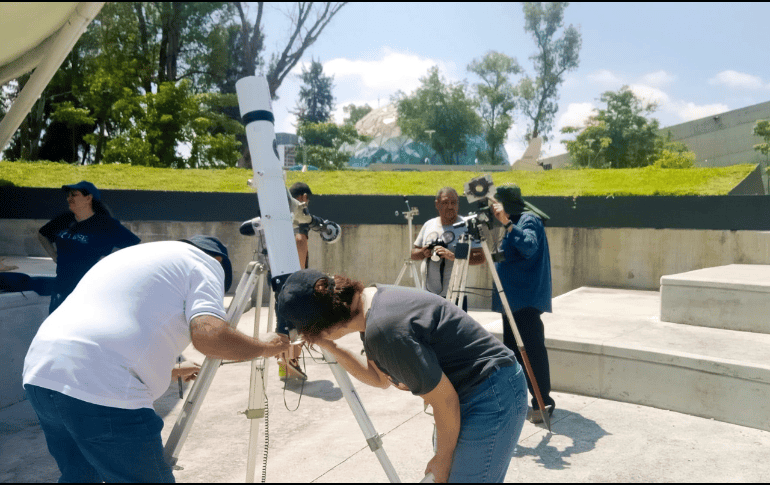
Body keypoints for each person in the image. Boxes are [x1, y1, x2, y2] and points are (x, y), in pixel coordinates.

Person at [22, 235, 290, 483]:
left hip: (42, 373)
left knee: (80, 477)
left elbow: (116, 321)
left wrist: (171, 371)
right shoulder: (205, 264)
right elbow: (210, 336)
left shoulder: (136, 256)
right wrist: (267, 348)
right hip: (102, 388)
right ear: (219, 261)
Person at [276, 269, 528, 483]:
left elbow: (444, 400)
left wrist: (442, 458)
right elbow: (379, 378)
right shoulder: (372, 303)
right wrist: (331, 346)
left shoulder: (385, 330)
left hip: (490, 393)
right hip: (479, 388)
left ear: (323, 324)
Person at [490, 184, 556, 424]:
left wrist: (507, 223)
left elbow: (528, 246)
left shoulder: (528, 220)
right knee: (514, 354)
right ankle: (521, 401)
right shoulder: (515, 221)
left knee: (531, 352)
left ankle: (543, 402)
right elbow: (508, 255)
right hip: (512, 302)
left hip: (524, 301)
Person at [38, 181, 140, 313]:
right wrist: (53, 255)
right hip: (62, 287)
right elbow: (42, 234)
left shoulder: (106, 224)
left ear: (88, 198)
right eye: (68, 196)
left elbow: (134, 247)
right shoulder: (63, 220)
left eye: (74, 195)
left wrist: (109, 260)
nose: (69, 199)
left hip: (91, 290)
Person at [411, 187, 484, 309]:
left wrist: (454, 257)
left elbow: (480, 258)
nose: (450, 206)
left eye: (453, 202)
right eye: (445, 202)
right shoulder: (429, 225)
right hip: (428, 295)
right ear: (437, 204)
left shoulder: (468, 225)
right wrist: (424, 252)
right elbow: (413, 254)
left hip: (456, 296)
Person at [275, 181, 314, 380]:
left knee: (282, 319)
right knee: (300, 322)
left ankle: (283, 362)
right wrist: (299, 275)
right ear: (303, 197)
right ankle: (292, 361)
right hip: (294, 278)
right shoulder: (300, 217)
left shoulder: (277, 216)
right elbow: (301, 241)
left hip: (277, 275)